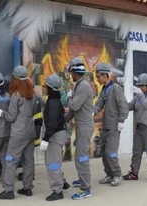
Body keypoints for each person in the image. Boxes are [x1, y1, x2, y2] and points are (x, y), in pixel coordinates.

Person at [0, 65, 36, 199]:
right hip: (30, 132)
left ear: (15, 79)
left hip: (18, 133)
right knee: (28, 161)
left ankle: (8, 191)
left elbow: (11, 117)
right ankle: (28, 188)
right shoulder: (32, 94)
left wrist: (1, 114)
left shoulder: (16, 95)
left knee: (10, 160)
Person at [92, 62, 128, 186]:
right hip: (106, 126)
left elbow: (123, 105)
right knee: (103, 152)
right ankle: (109, 174)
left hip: (114, 126)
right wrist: (92, 112)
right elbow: (99, 104)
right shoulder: (104, 90)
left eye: (98, 76)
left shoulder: (116, 88)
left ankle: (117, 175)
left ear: (105, 75)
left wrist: (122, 120)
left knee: (111, 152)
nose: (97, 79)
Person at [65, 57, 94, 200]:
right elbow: (74, 109)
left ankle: (86, 188)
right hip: (82, 124)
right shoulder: (80, 84)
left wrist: (69, 97)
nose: (71, 75)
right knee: (79, 156)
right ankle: (83, 179)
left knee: (81, 157)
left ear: (75, 72)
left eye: (71, 72)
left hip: (85, 125)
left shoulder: (82, 86)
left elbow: (74, 105)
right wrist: (65, 119)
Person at [122, 73, 147, 183]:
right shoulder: (138, 97)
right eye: (139, 86)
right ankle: (134, 173)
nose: (140, 88)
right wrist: (120, 103)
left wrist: (140, 94)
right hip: (139, 128)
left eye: (142, 86)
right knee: (136, 151)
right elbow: (129, 106)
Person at [39, 74, 70, 201]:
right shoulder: (54, 100)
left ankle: (57, 190)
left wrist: (45, 139)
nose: (43, 88)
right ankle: (62, 182)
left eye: (45, 86)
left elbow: (52, 123)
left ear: (50, 88)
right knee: (53, 161)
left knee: (52, 164)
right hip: (58, 134)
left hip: (55, 136)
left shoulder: (52, 102)